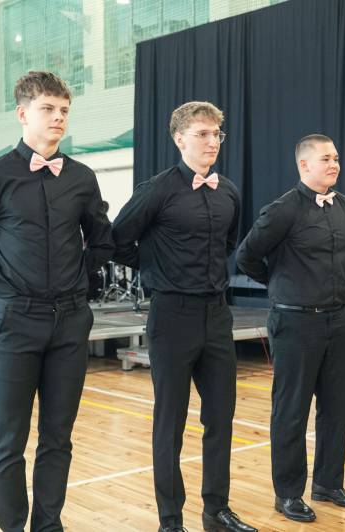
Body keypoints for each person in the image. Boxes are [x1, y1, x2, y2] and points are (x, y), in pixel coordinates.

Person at [0, 71, 114, 531]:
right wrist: (4, 282)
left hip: (70, 323)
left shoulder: (82, 178)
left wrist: (78, 280)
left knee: (58, 437)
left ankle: (48, 525)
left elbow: (103, 241)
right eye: (48, 109)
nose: (58, 117)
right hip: (16, 322)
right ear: (23, 114)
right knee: (9, 439)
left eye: (64, 110)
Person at [112, 101, 256, 532]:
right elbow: (118, 241)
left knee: (221, 418)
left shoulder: (229, 192)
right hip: (171, 315)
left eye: (217, 135)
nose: (212, 142)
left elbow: (228, 243)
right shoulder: (156, 190)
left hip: (216, 315)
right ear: (179, 139)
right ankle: (170, 520)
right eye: (202, 134)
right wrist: (156, 266)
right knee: (170, 423)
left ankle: (217, 510)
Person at [236, 134, 345, 523]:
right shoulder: (283, 210)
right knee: (291, 411)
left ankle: (328, 483)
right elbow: (246, 256)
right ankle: (288, 493)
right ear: (304, 165)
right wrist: (280, 283)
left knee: (337, 408)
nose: (334, 164)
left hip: (339, 319)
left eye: (336, 157)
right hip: (295, 322)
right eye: (326, 158)